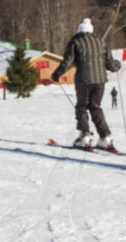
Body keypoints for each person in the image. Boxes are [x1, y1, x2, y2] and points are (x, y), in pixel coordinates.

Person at [51, 18, 121, 150]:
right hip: (100, 81)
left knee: (82, 107)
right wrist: (117, 65)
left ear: (79, 31)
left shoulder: (75, 42)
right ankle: (105, 138)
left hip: (83, 80)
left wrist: (56, 74)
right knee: (96, 107)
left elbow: (67, 62)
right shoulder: (101, 43)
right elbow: (110, 64)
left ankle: (84, 136)